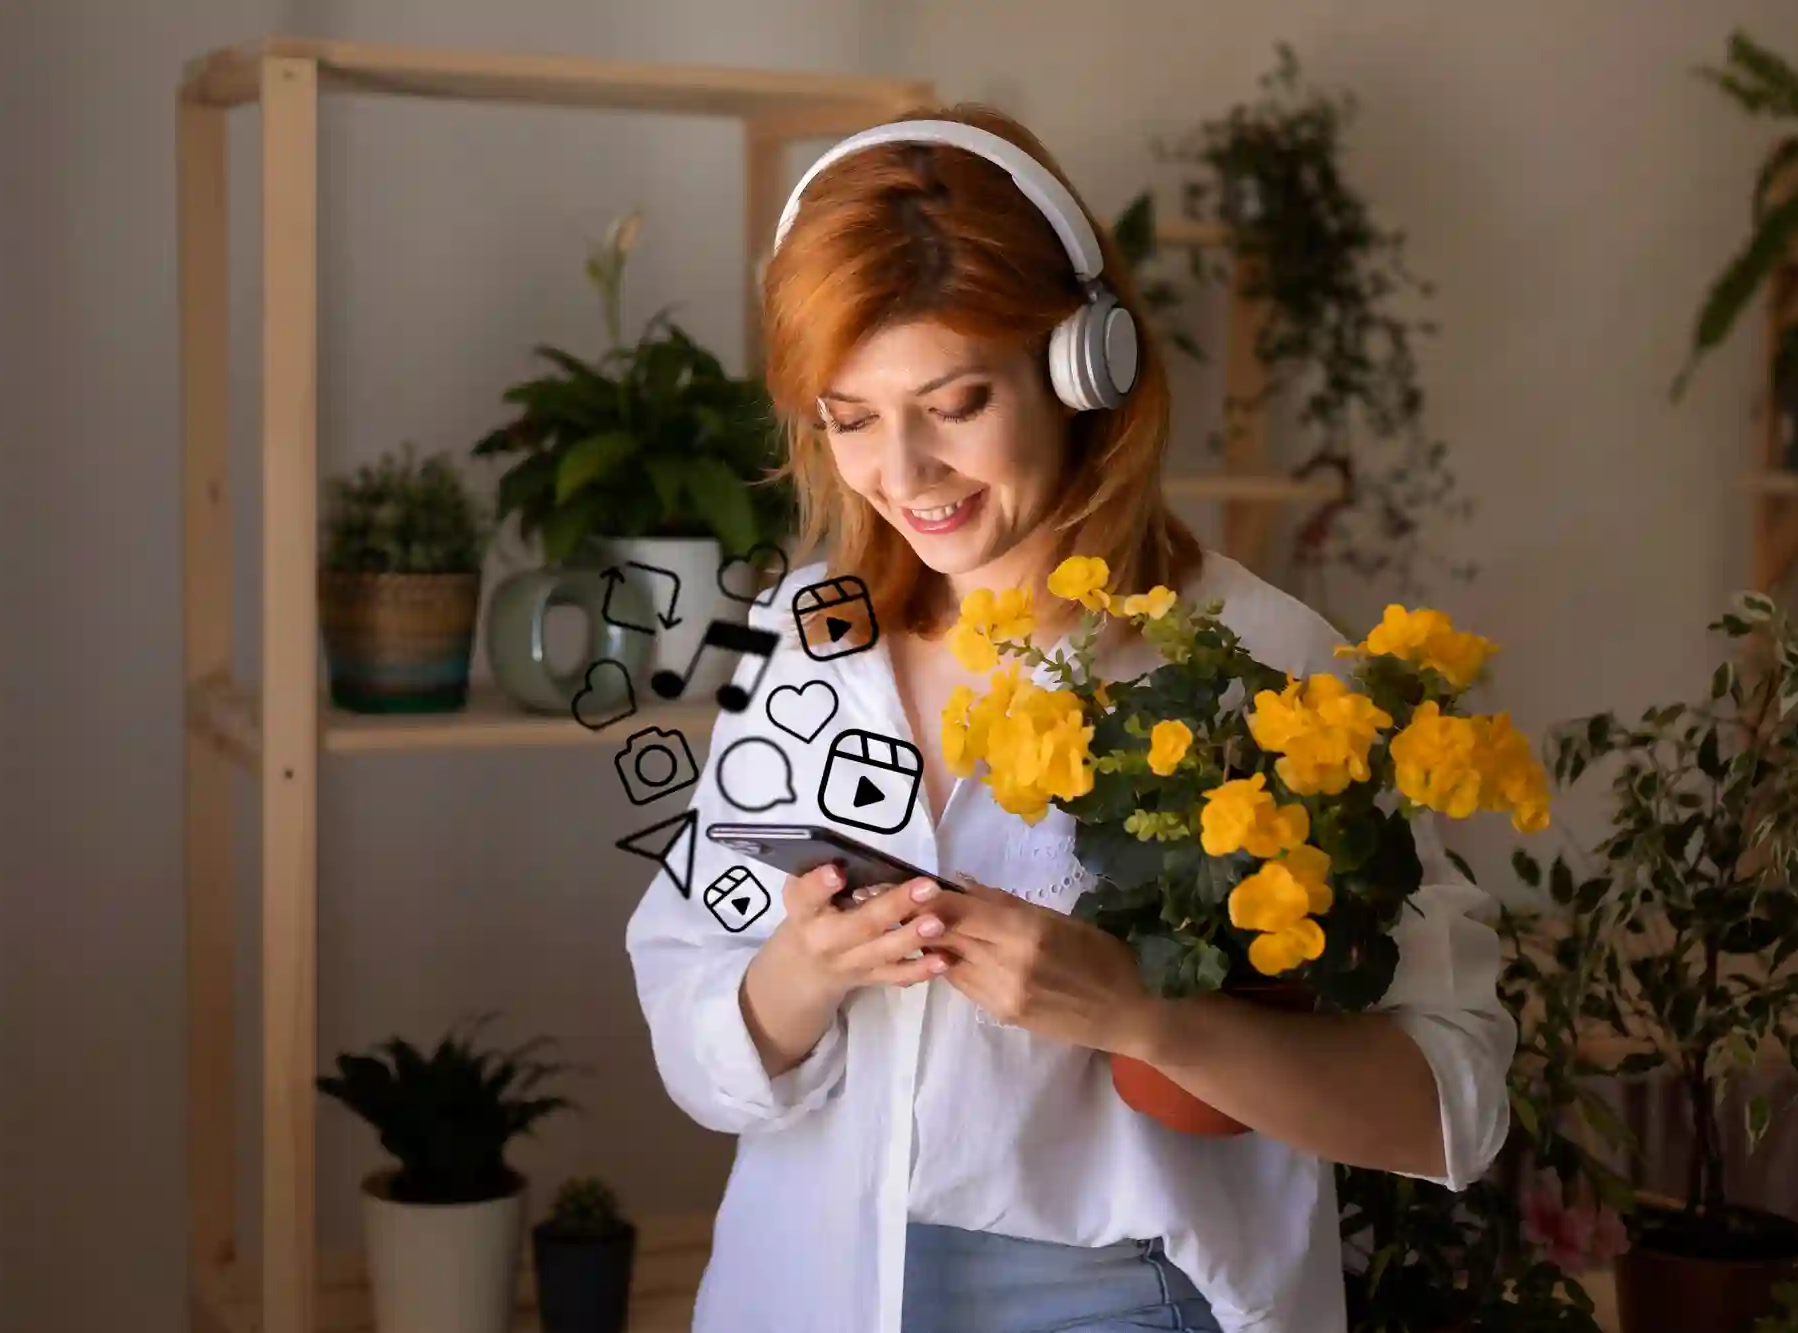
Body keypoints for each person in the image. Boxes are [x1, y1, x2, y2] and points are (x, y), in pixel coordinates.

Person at [623, 104, 1515, 1333]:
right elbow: (690, 1013)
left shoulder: (1266, 665)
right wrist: (797, 976)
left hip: (1124, 1301)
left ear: (1081, 362)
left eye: (953, 400)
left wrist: (1141, 1014)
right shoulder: (792, 639)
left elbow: (1449, 1100)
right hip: (802, 1284)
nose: (903, 472)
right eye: (850, 416)